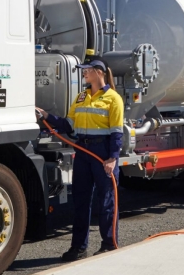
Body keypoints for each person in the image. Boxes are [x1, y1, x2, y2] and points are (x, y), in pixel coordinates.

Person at [35, 59, 124, 261]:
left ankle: (109, 245)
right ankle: (78, 248)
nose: (84, 73)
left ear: (99, 72)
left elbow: (117, 132)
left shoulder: (113, 98)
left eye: (87, 70)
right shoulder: (82, 96)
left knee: (107, 203)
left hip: (102, 154)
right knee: (81, 202)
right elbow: (68, 124)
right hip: (83, 152)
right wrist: (46, 115)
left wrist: (112, 158)